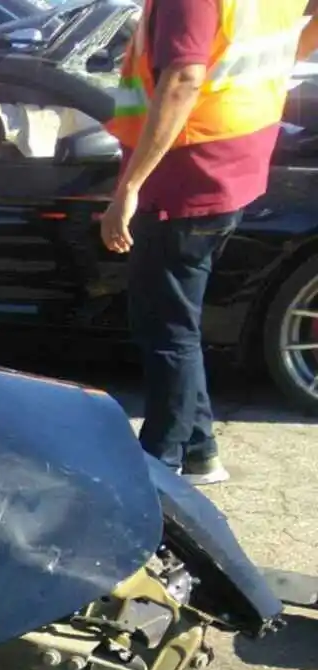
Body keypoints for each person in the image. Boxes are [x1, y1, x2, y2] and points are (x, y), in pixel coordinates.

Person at [102, 0, 317, 485]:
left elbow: (183, 79)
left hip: (185, 174)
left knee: (163, 327)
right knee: (177, 321)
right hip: (232, 165)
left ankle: (161, 463)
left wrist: (130, 186)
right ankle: (200, 451)